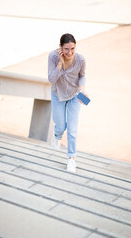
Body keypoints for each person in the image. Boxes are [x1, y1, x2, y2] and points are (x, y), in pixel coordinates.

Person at [48, 33, 86, 173]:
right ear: (60, 47)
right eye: (66, 49)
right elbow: (51, 80)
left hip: (75, 95)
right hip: (58, 94)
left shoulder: (80, 59)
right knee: (60, 125)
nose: (70, 53)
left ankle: (71, 159)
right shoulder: (52, 57)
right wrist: (59, 63)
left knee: (72, 129)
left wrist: (82, 89)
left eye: (73, 49)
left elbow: (82, 76)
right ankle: (57, 135)